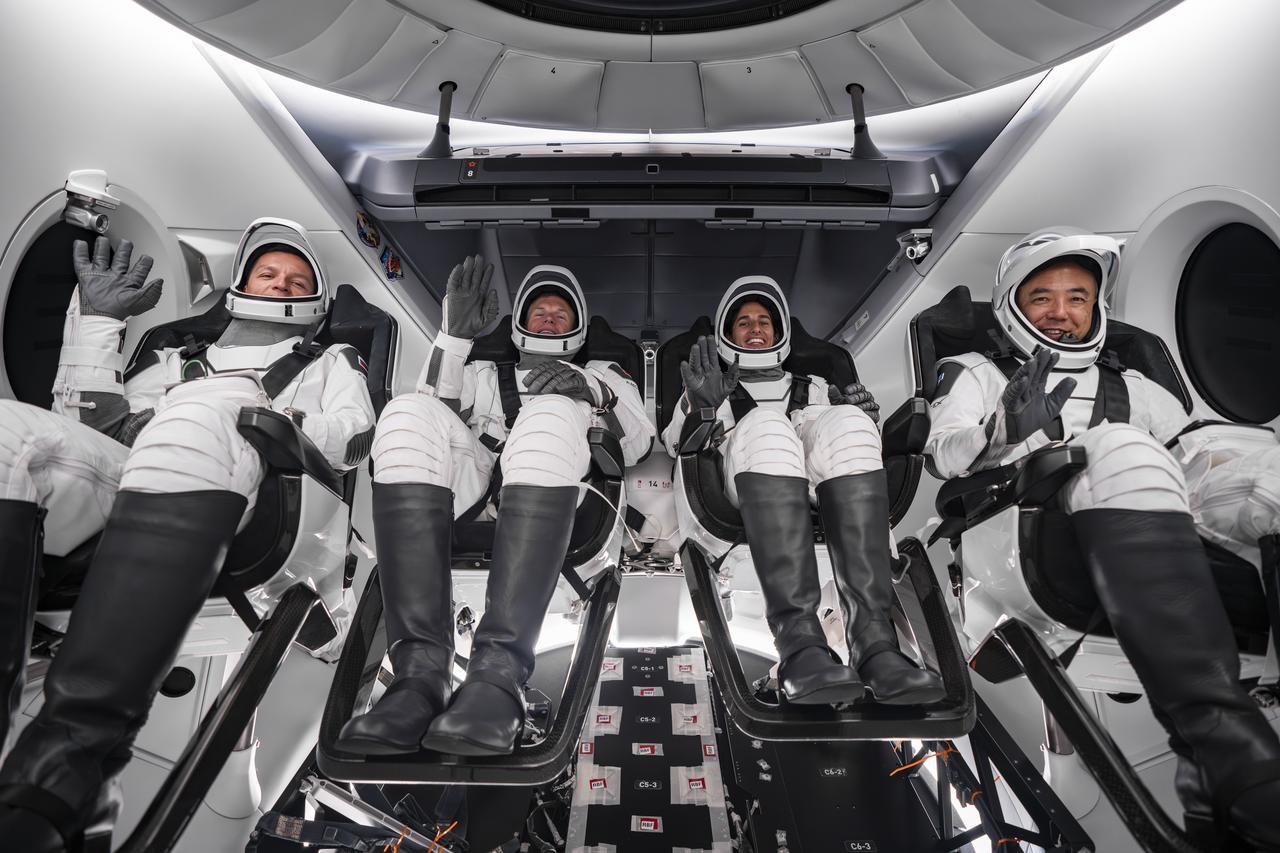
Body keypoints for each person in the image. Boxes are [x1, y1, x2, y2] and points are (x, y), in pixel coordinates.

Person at [0, 219, 376, 851]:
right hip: (140, 476)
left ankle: (70, 770)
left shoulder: (331, 361)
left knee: (207, 408)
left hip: (273, 503)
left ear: (314, 303)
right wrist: (96, 323)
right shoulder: (172, 356)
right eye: (267, 273)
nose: (280, 284)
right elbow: (91, 426)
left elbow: (349, 432)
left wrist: (248, 406)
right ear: (241, 285)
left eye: (296, 280)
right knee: (12, 433)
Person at [925, 226, 1280, 847]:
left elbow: (1194, 454)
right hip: (1020, 537)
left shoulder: (1136, 387)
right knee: (1116, 443)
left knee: (1262, 464)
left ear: (1098, 309)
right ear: (1012, 306)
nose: (1061, 312)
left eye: (1077, 298)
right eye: (1042, 298)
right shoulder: (976, 373)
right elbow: (943, 455)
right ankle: (1218, 746)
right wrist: (1001, 431)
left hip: (1148, 520)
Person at [336, 258, 653, 757]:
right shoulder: (483, 372)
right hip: (473, 494)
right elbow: (430, 414)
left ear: (579, 327)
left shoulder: (603, 374)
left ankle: (499, 678)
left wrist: (590, 390)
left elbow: (635, 445)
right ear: (521, 323)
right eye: (540, 310)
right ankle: (420, 679)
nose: (549, 318)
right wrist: (453, 339)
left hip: (559, 505)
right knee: (406, 412)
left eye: (561, 313)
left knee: (549, 412)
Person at [662, 276, 944, 706]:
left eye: (764, 322)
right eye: (743, 322)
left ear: (779, 334)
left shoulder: (813, 385)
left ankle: (875, 646)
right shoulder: (709, 385)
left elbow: (840, 447)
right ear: (727, 334)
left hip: (819, 491)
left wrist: (863, 418)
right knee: (766, 424)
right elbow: (672, 444)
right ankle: (800, 647)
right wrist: (699, 406)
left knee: (849, 424)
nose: (756, 329)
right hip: (739, 490)